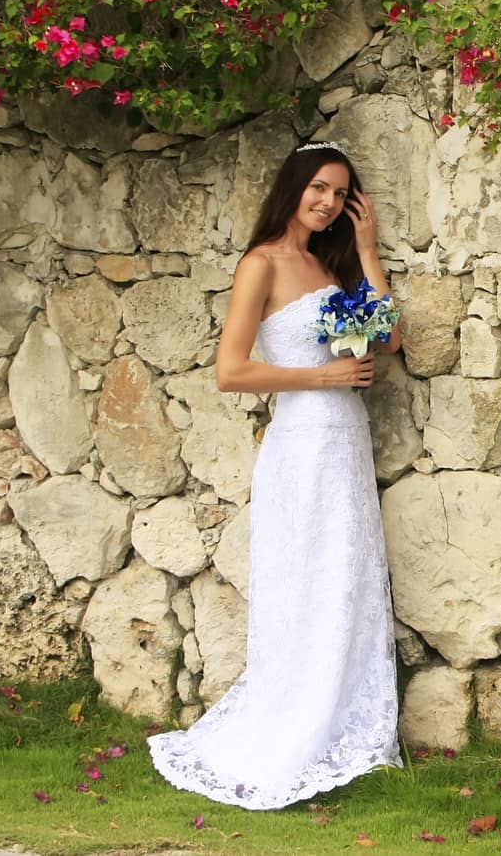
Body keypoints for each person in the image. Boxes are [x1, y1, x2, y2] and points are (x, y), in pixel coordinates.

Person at [148, 141, 403, 809]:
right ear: (293, 186)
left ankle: (343, 717)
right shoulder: (260, 264)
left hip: (346, 441)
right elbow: (230, 370)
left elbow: (389, 341)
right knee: (301, 578)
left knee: (342, 575)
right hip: (300, 442)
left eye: (339, 193)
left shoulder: (330, 263)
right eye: (318, 188)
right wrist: (321, 375)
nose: (326, 202)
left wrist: (368, 249)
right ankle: (291, 718)